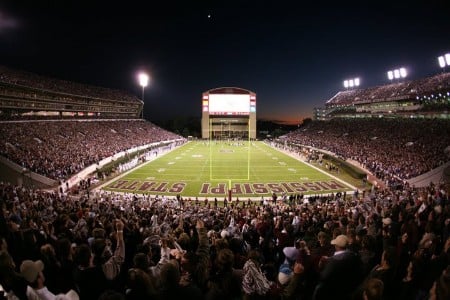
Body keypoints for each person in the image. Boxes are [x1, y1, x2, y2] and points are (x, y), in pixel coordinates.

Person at [312, 234, 363, 300]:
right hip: (348, 288)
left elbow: (323, 277)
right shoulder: (354, 255)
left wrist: (322, 266)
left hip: (334, 291)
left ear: (336, 246)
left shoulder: (334, 261)